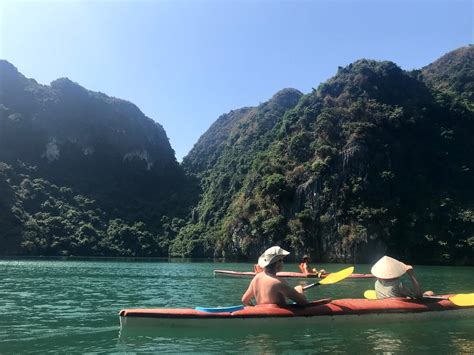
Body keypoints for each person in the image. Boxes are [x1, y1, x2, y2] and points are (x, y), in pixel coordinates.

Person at [242, 246, 308, 306]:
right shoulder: (279, 282)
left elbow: (245, 300)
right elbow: (303, 302)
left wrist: (254, 309)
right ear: (278, 263)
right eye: (282, 260)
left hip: (263, 317)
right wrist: (299, 290)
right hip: (279, 318)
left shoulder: (256, 278)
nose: (283, 263)